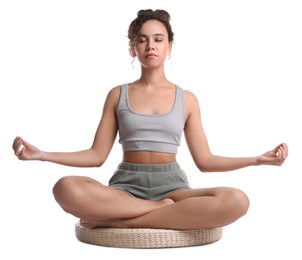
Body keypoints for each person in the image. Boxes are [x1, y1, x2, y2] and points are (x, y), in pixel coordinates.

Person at [12, 9, 288, 230]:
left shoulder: (187, 98)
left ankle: (110, 221)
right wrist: (43, 155)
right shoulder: (117, 94)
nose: (150, 45)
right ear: (133, 48)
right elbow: (96, 155)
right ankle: (161, 212)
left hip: (173, 187)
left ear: (169, 46)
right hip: (125, 188)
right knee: (65, 187)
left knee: (236, 200)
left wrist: (256, 160)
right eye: (142, 39)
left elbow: (205, 161)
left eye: (158, 39)